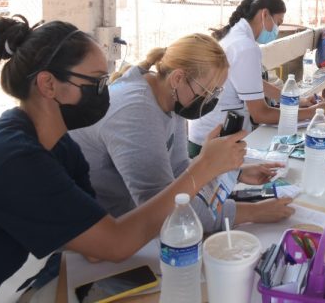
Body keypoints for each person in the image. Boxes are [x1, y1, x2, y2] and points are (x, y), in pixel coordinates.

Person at [0, 16, 246, 302]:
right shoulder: (12, 158)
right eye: (97, 82)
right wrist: (204, 167)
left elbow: (95, 245)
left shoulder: (60, 146)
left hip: (21, 279)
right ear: (48, 84)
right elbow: (115, 244)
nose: (108, 92)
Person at [70, 34, 294, 231]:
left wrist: (233, 173)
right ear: (178, 78)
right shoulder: (136, 111)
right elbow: (165, 211)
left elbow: (178, 171)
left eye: (216, 92)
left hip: (130, 223)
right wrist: (253, 213)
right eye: (208, 91)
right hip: (103, 237)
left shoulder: (169, 97)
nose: (211, 100)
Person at [188, 0, 325, 156]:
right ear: (264, 14)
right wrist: (313, 113)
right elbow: (261, 114)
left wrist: (299, 101)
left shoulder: (234, 37)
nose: (277, 29)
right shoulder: (245, 47)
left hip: (203, 137)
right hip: (212, 143)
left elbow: (253, 83)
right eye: (278, 22)